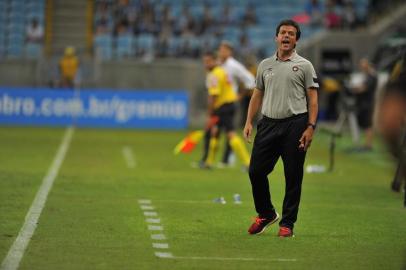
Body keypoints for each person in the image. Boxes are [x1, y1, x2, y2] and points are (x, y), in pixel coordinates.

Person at [243, 19, 319, 237]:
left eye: (291, 34)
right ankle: (266, 213)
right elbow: (257, 93)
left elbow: (313, 100)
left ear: (296, 39)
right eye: (283, 33)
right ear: (276, 37)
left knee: (293, 175)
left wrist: (311, 127)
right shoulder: (265, 65)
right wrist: (248, 121)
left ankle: (287, 224)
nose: (286, 36)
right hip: (267, 124)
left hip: (296, 124)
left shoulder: (305, 65)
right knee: (256, 171)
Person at [199, 41, 256, 168]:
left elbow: (214, 95)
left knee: (230, 134)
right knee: (215, 132)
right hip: (227, 104)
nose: (205, 64)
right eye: (204, 61)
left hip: (223, 105)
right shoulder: (221, 70)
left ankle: (248, 162)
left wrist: (210, 112)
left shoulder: (216, 73)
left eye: (208, 61)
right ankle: (208, 162)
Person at [352, 58, 378, 150]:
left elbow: (365, 88)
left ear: (367, 65)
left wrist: (355, 89)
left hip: (367, 102)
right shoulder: (366, 75)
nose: (361, 66)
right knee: (364, 123)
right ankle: (366, 143)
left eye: (363, 64)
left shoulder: (371, 76)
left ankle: (369, 144)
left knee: (368, 123)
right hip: (363, 102)